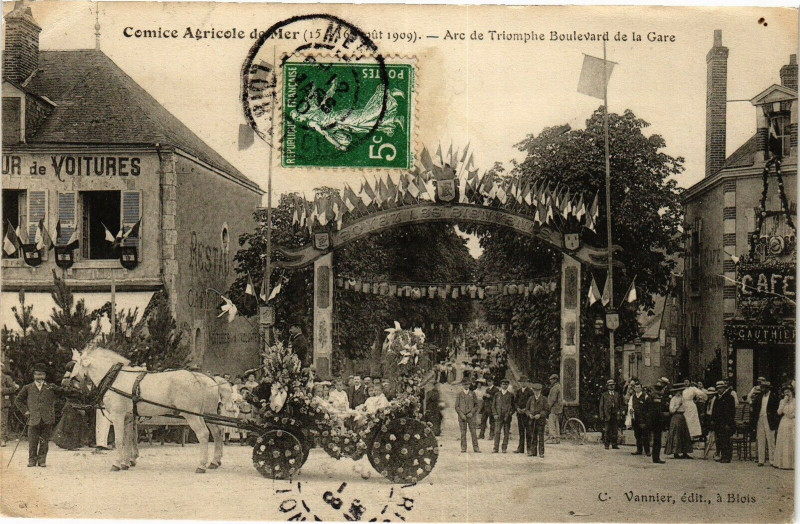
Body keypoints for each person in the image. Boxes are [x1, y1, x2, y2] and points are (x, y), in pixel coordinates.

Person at [14, 364, 62, 467]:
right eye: (37, 374)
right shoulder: (27, 387)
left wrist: (51, 409)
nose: (39, 377)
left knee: (44, 441)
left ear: (45, 375)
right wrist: (25, 411)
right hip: (33, 419)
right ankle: (32, 460)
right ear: (33, 375)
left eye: (42, 374)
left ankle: (42, 460)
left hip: (47, 419)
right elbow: (18, 400)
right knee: (32, 441)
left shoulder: (51, 387)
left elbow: (61, 395)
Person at [750, 380, 780, 466]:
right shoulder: (759, 397)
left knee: (770, 440)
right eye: (761, 387)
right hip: (760, 419)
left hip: (769, 419)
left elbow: (776, 410)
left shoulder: (774, 397)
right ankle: (761, 460)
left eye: (763, 388)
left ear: (767, 388)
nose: (762, 389)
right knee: (760, 439)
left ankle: (772, 460)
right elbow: (754, 407)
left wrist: (775, 421)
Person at [664, 385, 693, 459]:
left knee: (684, 434)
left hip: (682, 416)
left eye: (680, 391)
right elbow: (671, 410)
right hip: (676, 417)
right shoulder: (673, 399)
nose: (679, 392)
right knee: (676, 434)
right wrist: (677, 405)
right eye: (678, 391)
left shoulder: (683, 399)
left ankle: (684, 452)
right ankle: (675, 452)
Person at [645, 381, 669, 464]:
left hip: (656, 421)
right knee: (656, 439)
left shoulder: (652, 398)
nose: (658, 392)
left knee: (656, 440)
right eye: (657, 389)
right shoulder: (654, 399)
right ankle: (655, 457)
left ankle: (655, 457)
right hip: (655, 420)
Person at [713, 380, 736, 463]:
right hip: (719, 423)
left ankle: (727, 456)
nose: (719, 390)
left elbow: (731, 412)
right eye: (718, 388)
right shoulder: (717, 398)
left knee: (726, 440)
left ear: (724, 388)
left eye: (720, 388)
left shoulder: (729, 398)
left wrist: (729, 423)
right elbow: (714, 410)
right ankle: (723, 456)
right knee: (720, 440)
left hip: (726, 423)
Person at [772, 385, 794, 470]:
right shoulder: (782, 401)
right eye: (785, 393)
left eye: (788, 392)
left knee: (792, 440)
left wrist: (792, 415)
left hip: (793, 421)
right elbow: (779, 412)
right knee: (784, 441)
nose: (787, 394)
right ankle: (784, 463)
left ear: (792, 392)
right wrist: (784, 401)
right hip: (784, 422)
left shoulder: (796, 401)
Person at [455, 381, 480, 453]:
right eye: (464, 384)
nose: (466, 386)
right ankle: (463, 448)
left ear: (469, 385)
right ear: (462, 385)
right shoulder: (459, 394)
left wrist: (472, 413)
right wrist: (461, 415)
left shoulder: (473, 393)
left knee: (473, 432)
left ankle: (476, 448)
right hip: (462, 417)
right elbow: (456, 406)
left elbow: (476, 405)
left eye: (467, 384)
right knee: (463, 433)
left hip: (471, 417)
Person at [525, 383, 548, 458]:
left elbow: (547, 410)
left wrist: (540, 415)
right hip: (532, 421)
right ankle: (533, 452)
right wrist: (529, 414)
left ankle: (541, 452)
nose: (536, 392)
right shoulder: (530, 398)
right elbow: (527, 409)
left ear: (540, 390)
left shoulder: (544, 399)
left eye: (538, 390)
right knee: (533, 436)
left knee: (541, 437)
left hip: (540, 421)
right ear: (533, 390)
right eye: (535, 390)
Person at [599, 379, 622, 449]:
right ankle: (606, 444)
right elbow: (601, 406)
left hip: (615, 415)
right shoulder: (604, 395)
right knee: (607, 430)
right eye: (610, 386)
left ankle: (614, 444)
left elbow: (620, 405)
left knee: (615, 430)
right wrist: (602, 416)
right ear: (607, 387)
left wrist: (620, 414)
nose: (611, 387)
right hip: (607, 415)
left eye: (612, 385)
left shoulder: (617, 394)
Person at [492, 378, 514, 453]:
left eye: (506, 384)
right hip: (498, 416)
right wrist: (495, 414)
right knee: (497, 432)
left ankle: (504, 448)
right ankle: (495, 448)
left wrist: (510, 413)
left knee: (506, 433)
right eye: (503, 384)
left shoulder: (510, 395)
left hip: (507, 417)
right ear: (501, 385)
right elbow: (493, 405)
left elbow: (513, 406)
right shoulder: (497, 394)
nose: (504, 386)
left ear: (508, 385)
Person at [629, 382, 650, 456]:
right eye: (636, 387)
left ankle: (647, 451)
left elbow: (648, 407)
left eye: (638, 387)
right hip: (636, 418)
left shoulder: (645, 396)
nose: (637, 389)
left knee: (645, 435)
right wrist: (631, 410)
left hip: (643, 419)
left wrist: (646, 418)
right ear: (634, 388)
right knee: (637, 435)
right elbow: (630, 405)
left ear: (641, 388)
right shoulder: (633, 397)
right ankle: (639, 450)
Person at [1, 362, 19, 446]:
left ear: (1, 368)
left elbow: (13, 389)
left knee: (3, 422)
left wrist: (2, 390)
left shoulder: (6, 378)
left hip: (3, 403)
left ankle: (2, 439)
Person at [514, 376, 533, 454]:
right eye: (521, 382)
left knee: (528, 431)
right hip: (519, 414)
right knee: (521, 431)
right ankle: (520, 448)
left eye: (524, 382)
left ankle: (529, 449)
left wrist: (526, 409)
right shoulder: (518, 391)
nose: (523, 383)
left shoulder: (530, 392)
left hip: (526, 414)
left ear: (527, 382)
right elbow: (515, 402)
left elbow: (532, 402)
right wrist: (517, 408)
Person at [547, 374, 563, 444]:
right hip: (558, 408)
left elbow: (552, 399)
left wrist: (548, 407)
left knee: (552, 423)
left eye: (552, 379)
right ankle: (557, 438)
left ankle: (553, 438)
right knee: (556, 423)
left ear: (555, 380)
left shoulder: (554, 388)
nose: (550, 381)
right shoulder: (559, 386)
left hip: (554, 408)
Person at [702, 386, 718, 459]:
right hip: (708, 419)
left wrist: (713, 420)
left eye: (710, 394)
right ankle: (706, 453)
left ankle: (715, 453)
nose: (709, 395)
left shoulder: (716, 400)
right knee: (708, 437)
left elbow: (716, 411)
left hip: (713, 419)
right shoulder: (708, 401)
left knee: (713, 437)